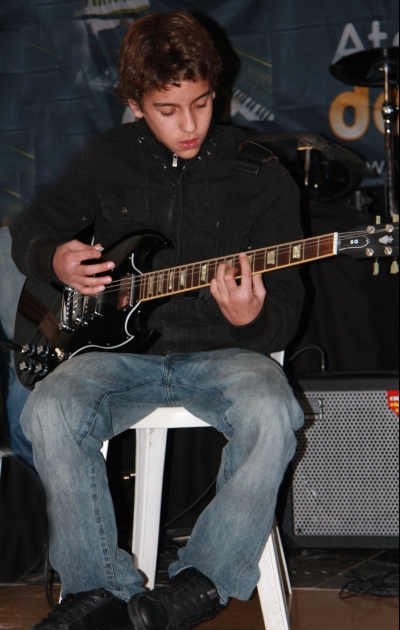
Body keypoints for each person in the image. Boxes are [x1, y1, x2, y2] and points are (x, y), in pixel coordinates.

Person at [10, 11, 305, 630]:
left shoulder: (261, 172)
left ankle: (202, 583)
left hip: (225, 355)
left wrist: (252, 320)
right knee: (49, 408)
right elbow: (32, 227)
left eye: (202, 103)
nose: (190, 125)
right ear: (135, 103)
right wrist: (54, 257)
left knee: (273, 410)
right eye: (168, 110)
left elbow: (285, 311)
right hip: (115, 359)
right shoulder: (103, 158)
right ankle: (96, 593)